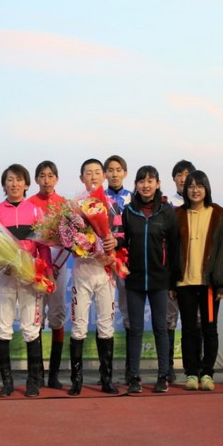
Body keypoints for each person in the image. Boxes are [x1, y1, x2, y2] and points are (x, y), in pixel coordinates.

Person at [0, 164, 53, 397]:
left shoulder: (36, 211)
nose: (14, 184)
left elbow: (43, 246)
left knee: (31, 328)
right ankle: (6, 383)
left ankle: (32, 382)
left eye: (18, 179)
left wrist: (46, 273)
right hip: (5, 278)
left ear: (26, 184)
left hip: (30, 277)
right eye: (9, 179)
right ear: (4, 184)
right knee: (2, 328)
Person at [120, 166, 180, 393]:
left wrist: (172, 280)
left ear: (158, 184)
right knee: (135, 330)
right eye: (141, 181)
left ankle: (163, 376)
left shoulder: (167, 212)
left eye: (150, 180)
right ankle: (134, 377)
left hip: (159, 280)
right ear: (136, 185)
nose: (146, 185)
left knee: (160, 329)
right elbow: (122, 243)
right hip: (134, 280)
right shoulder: (128, 212)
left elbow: (174, 249)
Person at [174, 170, 223, 391]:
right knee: (189, 329)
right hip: (184, 283)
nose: (195, 190)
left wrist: (222, 284)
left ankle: (207, 373)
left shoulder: (218, 215)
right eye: (191, 186)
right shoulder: (177, 215)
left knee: (209, 328)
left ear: (206, 189)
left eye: (199, 186)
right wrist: (172, 283)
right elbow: (171, 250)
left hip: (209, 284)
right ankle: (191, 373)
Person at [68, 158, 120, 396]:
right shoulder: (74, 205)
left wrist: (114, 242)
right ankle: (76, 380)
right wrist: (78, 244)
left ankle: (106, 379)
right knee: (79, 325)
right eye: (88, 173)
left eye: (97, 172)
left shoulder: (113, 205)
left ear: (104, 176)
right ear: (82, 178)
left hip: (105, 271)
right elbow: (66, 237)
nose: (93, 176)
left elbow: (121, 235)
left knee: (106, 324)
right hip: (83, 270)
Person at [28, 160, 68, 389]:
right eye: (42, 176)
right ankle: (37, 374)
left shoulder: (64, 205)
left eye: (50, 175)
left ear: (57, 179)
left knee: (57, 315)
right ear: (36, 179)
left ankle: (54, 374)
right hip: (35, 266)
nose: (46, 180)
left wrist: (57, 265)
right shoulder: (29, 204)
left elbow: (71, 239)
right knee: (35, 317)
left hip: (59, 266)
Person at [164, 159, 196, 385]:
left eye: (187, 174)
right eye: (179, 175)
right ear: (173, 178)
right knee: (169, 320)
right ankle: (167, 368)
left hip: (194, 272)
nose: (183, 179)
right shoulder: (167, 205)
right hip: (172, 270)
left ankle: (193, 367)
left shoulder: (200, 205)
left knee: (194, 321)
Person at [104, 155, 132, 382]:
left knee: (128, 312)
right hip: (102, 261)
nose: (114, 174)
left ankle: (131, 370)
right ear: (105, 174)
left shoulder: (133, 198)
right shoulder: (97, 199)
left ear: (125, 172)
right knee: (105, 314)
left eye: (118, 169)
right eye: (110, 170)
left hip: (125, 261)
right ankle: (106, 373)